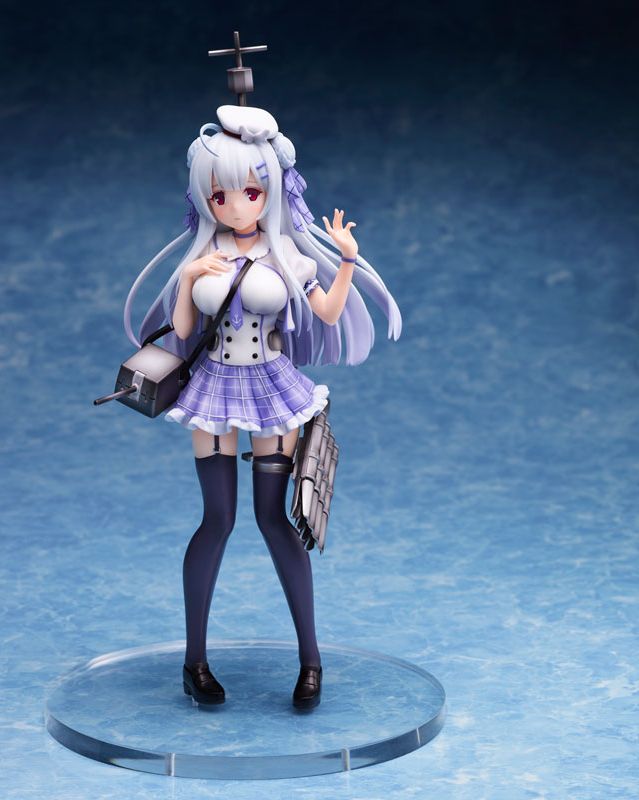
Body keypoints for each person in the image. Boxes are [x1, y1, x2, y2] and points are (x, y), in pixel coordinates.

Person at [124, 105, 401, 708]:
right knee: (216, 519)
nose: (235, 205)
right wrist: (190, 277)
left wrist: (346, 260)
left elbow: (328, 312)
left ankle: (311, 662)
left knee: (275, 519)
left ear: (271, 191)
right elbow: (181, 331)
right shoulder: (202, 252)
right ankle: (194, 662)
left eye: (250, 191)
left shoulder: (288, 256)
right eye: (220, 195)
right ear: (205, 197)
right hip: (214, 388)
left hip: (271, 387)